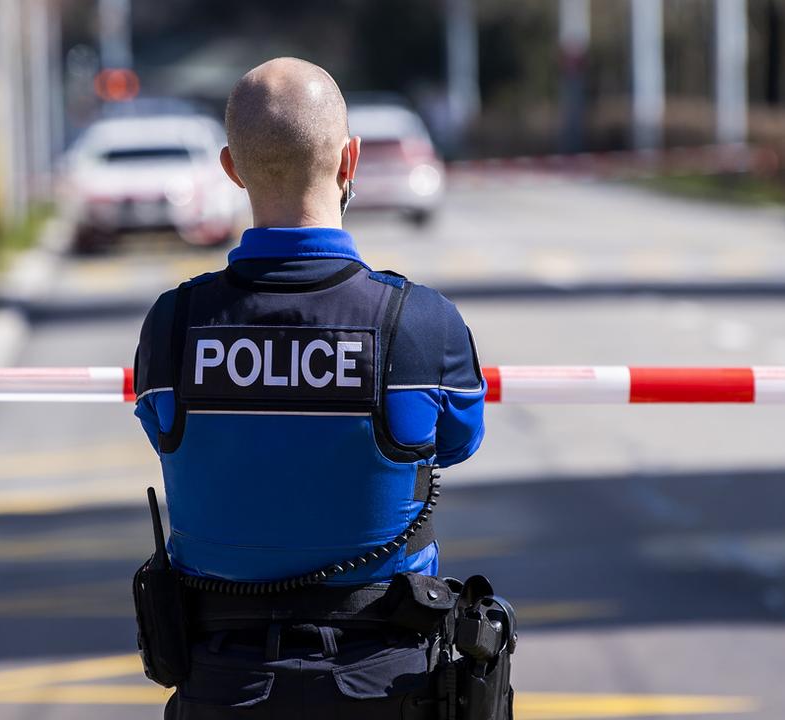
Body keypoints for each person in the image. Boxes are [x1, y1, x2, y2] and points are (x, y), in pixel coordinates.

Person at [132, 58, 510, 719]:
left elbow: (166, 435)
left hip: (221, 684)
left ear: (231, 167)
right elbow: (457, 444)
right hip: (386, 685)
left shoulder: (174, 324)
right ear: (349, 161)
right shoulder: (420, 324)